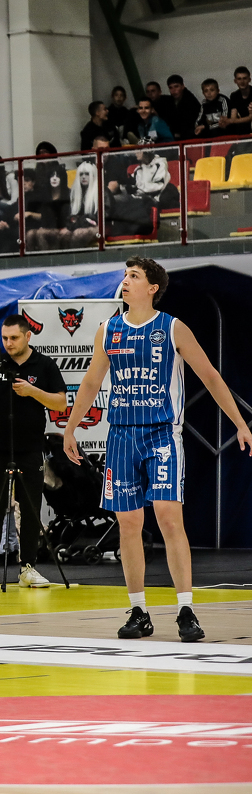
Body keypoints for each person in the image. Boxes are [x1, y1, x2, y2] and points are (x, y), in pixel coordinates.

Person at [63, 257, 252, 642]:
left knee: (168, 517)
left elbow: (210, 376)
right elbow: (91, 382)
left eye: (133, 276)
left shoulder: (172, 327)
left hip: (162, 434)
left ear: (152, 288)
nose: (125, 281)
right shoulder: (107, 330)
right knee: (129, 523)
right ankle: (138, 610)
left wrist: (239, 421)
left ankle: (186, 609)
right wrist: (70, 427)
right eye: (125, 275)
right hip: (121, 435)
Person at [0, 313, 69, 589]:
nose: (8, 343)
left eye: (13, 338)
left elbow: (61, 403)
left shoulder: (44, 364)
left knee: (30, 507)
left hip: (31, 446)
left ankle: (28, 567)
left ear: (27, 336)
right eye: (4, 338)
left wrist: (32, 391)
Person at [162, 74, 201, 140]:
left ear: (182, 86)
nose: (174, 90)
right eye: (171, 88)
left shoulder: (191, 101)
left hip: (190, 137)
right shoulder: (169, 101)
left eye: (176, 86)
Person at [224, 66, 252, 136]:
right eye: (239, 79)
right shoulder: (234, 96)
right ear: (235, 81)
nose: (242, 82)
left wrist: (230, 121)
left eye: (244, 78)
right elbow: (233, 117)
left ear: (249, 80)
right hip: (243, 128)